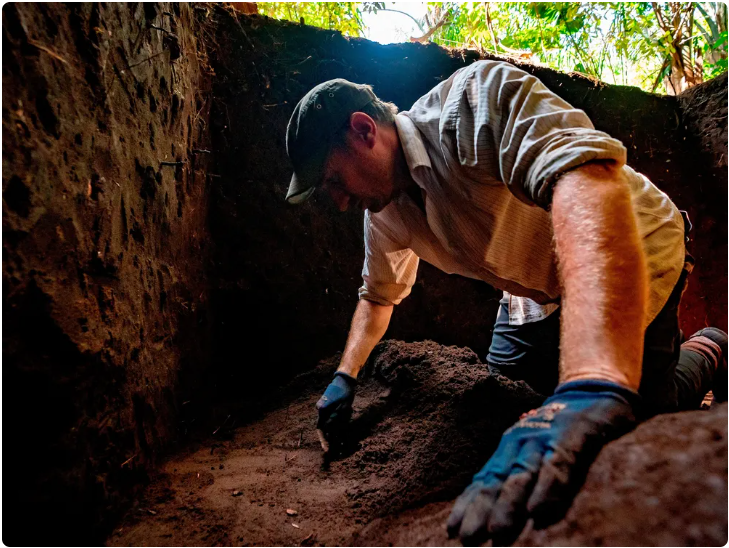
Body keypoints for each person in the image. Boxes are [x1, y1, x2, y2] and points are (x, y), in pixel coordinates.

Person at [284, 60, 727, 545]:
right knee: (502, 400)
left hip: (630, 244)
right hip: (533, 289)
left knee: (627, 422)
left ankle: (708, 349)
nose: (340, 201)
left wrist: (593, 376)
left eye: (332, 180)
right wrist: (344, 377)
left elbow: (581, 176)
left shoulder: (472, 104)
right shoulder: (385, 214)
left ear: (364, 130)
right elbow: (378, 297)